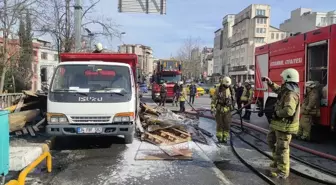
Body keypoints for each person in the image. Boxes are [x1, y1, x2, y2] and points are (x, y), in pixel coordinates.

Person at [262, 68, 300, 179]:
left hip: (285, 126)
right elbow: (278, 89)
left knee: (282, 148)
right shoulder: (286, 90)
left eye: (283, 78)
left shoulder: (291, 94)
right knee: (271, 141)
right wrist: (270, 83)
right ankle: (277, 161)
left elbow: (289, 111)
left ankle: (283, 171)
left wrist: (277, 113)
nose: (281, 79)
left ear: (288, 79)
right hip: (278, 125)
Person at [211, 76, 235, 143]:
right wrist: (212, 107)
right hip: (219, 109)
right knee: (220, 124)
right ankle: (219, 137)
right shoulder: (218, 89)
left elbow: (233, 99)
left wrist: (232, 105)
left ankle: (225, 137)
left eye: (227, 85)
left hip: (227, 110)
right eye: (225, 85)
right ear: (223, 83)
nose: (226, 87)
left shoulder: (231, 89)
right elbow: (214, 99)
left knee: (227, 124)